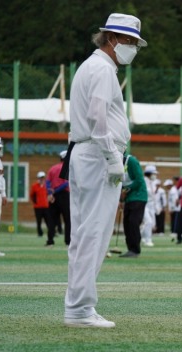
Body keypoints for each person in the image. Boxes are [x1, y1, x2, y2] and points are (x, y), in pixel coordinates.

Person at [64, 12, 146, 328]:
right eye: (130, 42)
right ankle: (81, 309)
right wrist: (112, 156)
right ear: (113, 39)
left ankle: (80, 306)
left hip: (90, 154)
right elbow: (98, 116)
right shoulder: (102, 69)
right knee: (93, 232)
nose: (133, 49)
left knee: (88, 232)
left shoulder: (94, 66)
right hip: (97, 155)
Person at [120, 153, 147, 258]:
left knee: (133, 222)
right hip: (129, 198)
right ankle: (130, 249)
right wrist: (120, 199)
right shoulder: (116, 164)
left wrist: (126, 190)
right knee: (126, 223)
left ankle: (135, 250)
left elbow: (139, 180)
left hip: (139, 196)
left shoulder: (131, 161)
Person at [45, 150, 70, 247]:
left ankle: (50, 241)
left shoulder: (53, 168)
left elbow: (47, 182)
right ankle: (68, 241)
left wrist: (50, 192)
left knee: (52, 219)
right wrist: (55, 191)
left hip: (53, 196)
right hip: (64, 195)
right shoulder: (67, 168)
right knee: (67, 220)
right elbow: (66, 183)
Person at [141, 164, 158, 247]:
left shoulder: (153, 183)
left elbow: (153, 195)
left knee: (152, 223)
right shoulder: (143, 181)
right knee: (148, 221)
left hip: (151, 205)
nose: (155, 175)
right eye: (153, 174)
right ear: (149, 173)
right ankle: (148, 240)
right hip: (144, 204)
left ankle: (139, 237)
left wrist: (156, 206)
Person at [30, 171, 51, 237]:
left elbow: (49, 194)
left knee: (48, 220)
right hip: (38, 207)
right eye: (40, 178)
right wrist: (35, 202)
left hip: (45, 206)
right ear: (38, 178)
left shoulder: (46, 186)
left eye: (43, 178)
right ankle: (40, 233)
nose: (41, 179)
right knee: (38, 221)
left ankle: (51, 232)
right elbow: (32, 195)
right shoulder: (34, 186)